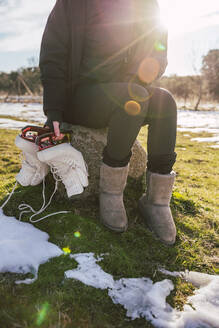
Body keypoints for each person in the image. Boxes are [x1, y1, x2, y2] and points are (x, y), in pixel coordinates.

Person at [39, 0, 177, 245]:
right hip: (81, 96)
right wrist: (54, 110)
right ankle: (111, 192)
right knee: (131, 97)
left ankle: (156, 201)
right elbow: (53, 56)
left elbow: (159, 53)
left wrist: (140, 78)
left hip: (130, 91)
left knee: (165, 101)